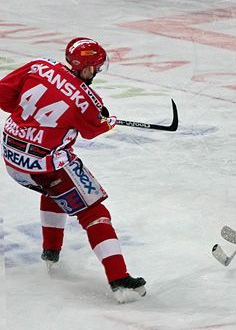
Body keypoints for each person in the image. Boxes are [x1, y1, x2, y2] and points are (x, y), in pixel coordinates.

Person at [0, 38, 146, 303]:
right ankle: (120, 280)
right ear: (87, 68)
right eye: (96, 67)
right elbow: (92, 130)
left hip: (12, 158)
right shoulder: (88, 100)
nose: (97, 72)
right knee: (94, 212)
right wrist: (107, 123)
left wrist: (30, 122)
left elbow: (4, 97)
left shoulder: (38, 66)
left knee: (57, 191)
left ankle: (51, 254)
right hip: (46, 165)